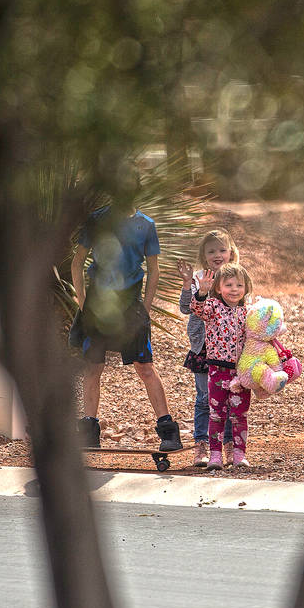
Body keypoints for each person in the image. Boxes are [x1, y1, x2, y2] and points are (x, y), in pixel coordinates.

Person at [70, 176, 182, 452]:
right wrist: (83, 302)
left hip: (130, 305)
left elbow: (154, 269)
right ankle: (89, 431)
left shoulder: (146, 225)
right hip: (97, 305)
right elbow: (77, 262)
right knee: (93, 367)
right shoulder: (96, 219)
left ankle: (168, 431)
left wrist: (144, 307)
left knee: (145, 367)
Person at [177, 229, 239, 467]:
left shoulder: (236, 277)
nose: (217, 254)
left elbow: (244, 304)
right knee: (205, 398)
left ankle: (230, 445)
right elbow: (185, 308)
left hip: (230, 349)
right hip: (203, 348)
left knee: (230, 398)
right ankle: (201, 444)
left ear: (231, 252)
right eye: (211, 250)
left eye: (222, 249)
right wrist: (188, 285)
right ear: (203, 254)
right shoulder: (197, 278)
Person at [189, 262, 255, 470]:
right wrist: (202, 292)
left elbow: (260, 337)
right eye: (229, 285)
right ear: (219, 288)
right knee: (217, 413)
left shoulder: (248, 312)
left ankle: (238, 454)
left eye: (239, 285)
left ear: (246, 288)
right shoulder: (213, 307)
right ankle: (215, 455)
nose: (234, 289)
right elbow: (197, 308)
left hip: (241, 373)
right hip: (217, 370)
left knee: (239, 414)